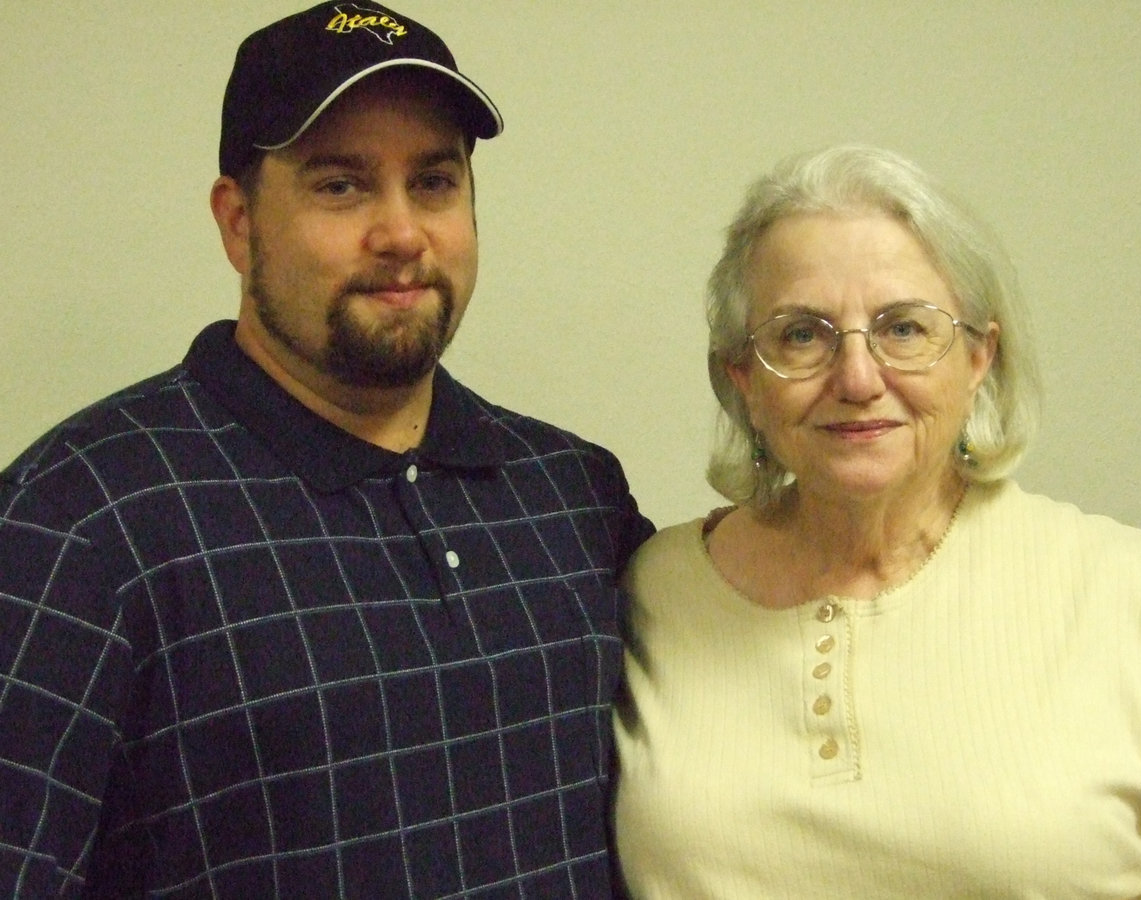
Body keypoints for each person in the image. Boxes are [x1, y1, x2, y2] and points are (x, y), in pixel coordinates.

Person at [0, 4, 652, 897]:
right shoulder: (76, 523)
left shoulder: (573, 493)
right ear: (239, 223)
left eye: (434, 182)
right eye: (341, 186)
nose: (402, 233)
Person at [612, 144, 1141, 898]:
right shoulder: (653, 593)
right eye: (802, 334)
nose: (858, 379)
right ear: (744, 378)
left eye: (904, 329)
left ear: (980, 358)